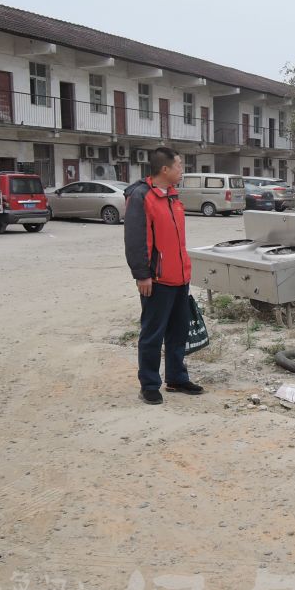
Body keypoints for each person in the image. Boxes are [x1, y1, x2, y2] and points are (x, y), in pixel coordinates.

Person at [124, 147, 203, 405]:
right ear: (165, 169)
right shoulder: (142, 197)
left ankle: (177, 378)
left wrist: (185, 271)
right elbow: (136, 240)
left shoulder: (172, 196)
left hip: (179, 278)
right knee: (152, 333)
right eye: (179, 166)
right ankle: (149, 384)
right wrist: (142, 274)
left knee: (178, 332)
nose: (182, 170)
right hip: (156, 280)